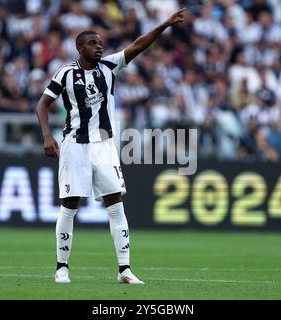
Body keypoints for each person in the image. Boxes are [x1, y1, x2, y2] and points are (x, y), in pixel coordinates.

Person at [36, 8, 186, 285]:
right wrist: (47, 135)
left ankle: (125, 270)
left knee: (116, 206)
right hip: (75, 145)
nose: (99, 46)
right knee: (69, 206)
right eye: (93, 43)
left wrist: (164, 24)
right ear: (80, 48)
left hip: (104, 145)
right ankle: (61, 268)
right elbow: (43, 104)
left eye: (101, 43)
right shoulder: (66, 73)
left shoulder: (110, 66)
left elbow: (139, 44)